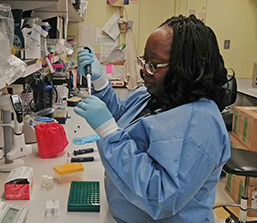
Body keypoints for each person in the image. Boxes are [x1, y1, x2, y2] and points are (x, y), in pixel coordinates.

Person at [75, 15, 232, 222]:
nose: (144, 70)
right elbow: (122, 119)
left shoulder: (202, 124)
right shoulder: (154, 93)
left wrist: (107, 132)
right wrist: (101, 82)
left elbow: (161, 197)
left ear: (185, 68)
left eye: (153, 65)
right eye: (144, 59)